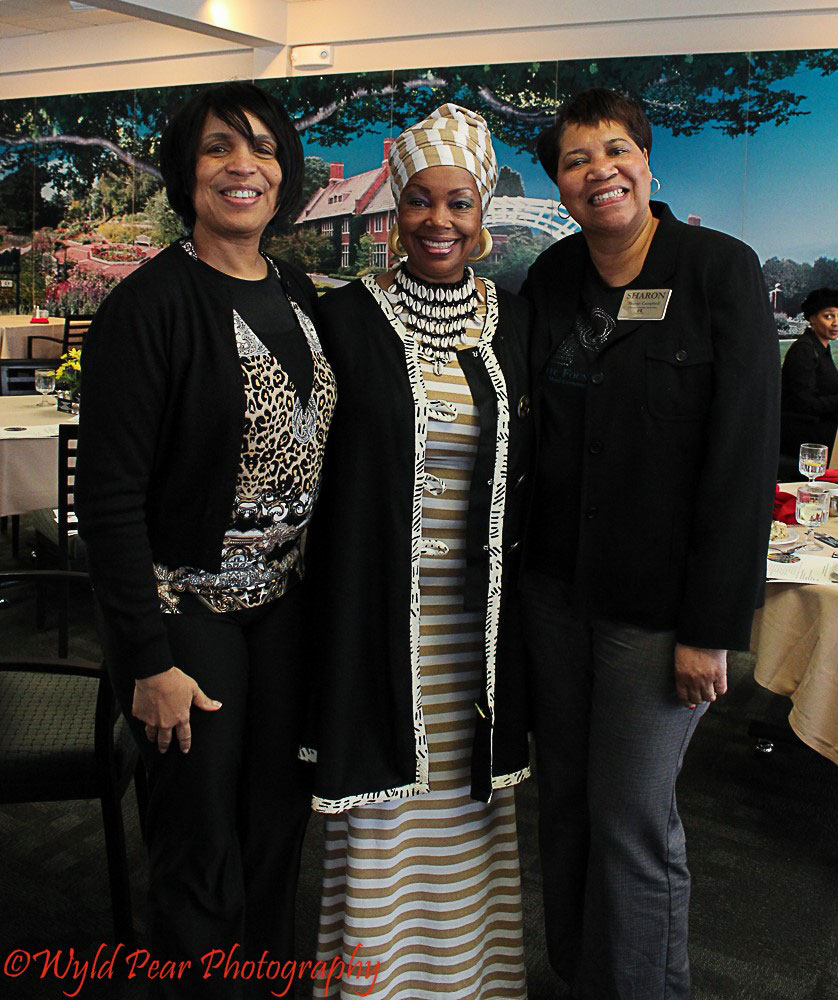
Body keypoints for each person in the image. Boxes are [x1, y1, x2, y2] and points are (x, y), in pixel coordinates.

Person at [75, 82, 337, 996]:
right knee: (196, 841)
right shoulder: (147, 308)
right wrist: (144, 662)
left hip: (285, 610)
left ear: (284, 176)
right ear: (187, 169)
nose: (244, 165)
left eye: (264, 149)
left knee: (275, 829)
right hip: (184, 618)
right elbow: (105, 504)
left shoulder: (297, 287)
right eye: (221, 146)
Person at [520, 88, 780, 999]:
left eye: (616, 149)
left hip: (658, 609)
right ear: (557, 183)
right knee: (564, 805)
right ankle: (584, 974)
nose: (600, 171)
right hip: (552, 597)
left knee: (632, 816)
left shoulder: (717, 269)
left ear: (646, 160)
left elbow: (744, 459)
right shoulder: (550, 280)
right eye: (576, 160)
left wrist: (710, 627)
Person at [303, 104, 533, 998]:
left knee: (466, 815)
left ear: (483, 217)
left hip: (475, 630)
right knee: (381, 815)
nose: (440, 222)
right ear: (395, 211)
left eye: (460, 204)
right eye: (421, 204)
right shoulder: (345, 320)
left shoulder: (514, 323)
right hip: (378, 617)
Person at [780, 287, 838, 462]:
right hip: (805, 441)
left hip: (819, 433)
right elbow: (803, 404)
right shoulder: (804, 350)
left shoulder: (821, 347)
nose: (836, 323)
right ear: (812, 318)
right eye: (828, 316)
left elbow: (826, 391)